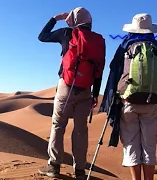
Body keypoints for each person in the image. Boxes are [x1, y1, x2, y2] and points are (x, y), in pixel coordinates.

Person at [99, 13, 157, 180]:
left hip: (128, 101)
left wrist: (113, 97)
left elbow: (114, 69)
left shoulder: (125, 45)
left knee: (131, 144)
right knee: (149, 146)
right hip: (152, 101)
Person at [37, 7, 106, 179]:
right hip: (86, 91)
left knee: (58, 126)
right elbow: (99, 71)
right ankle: (80, 171)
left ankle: (53, 166)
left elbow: (42, 36)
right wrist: (95, 94)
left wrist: (56, 18)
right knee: (80, 131)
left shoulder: (67, 33)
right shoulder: (98, 41)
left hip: (66, 87)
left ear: (74, 20)